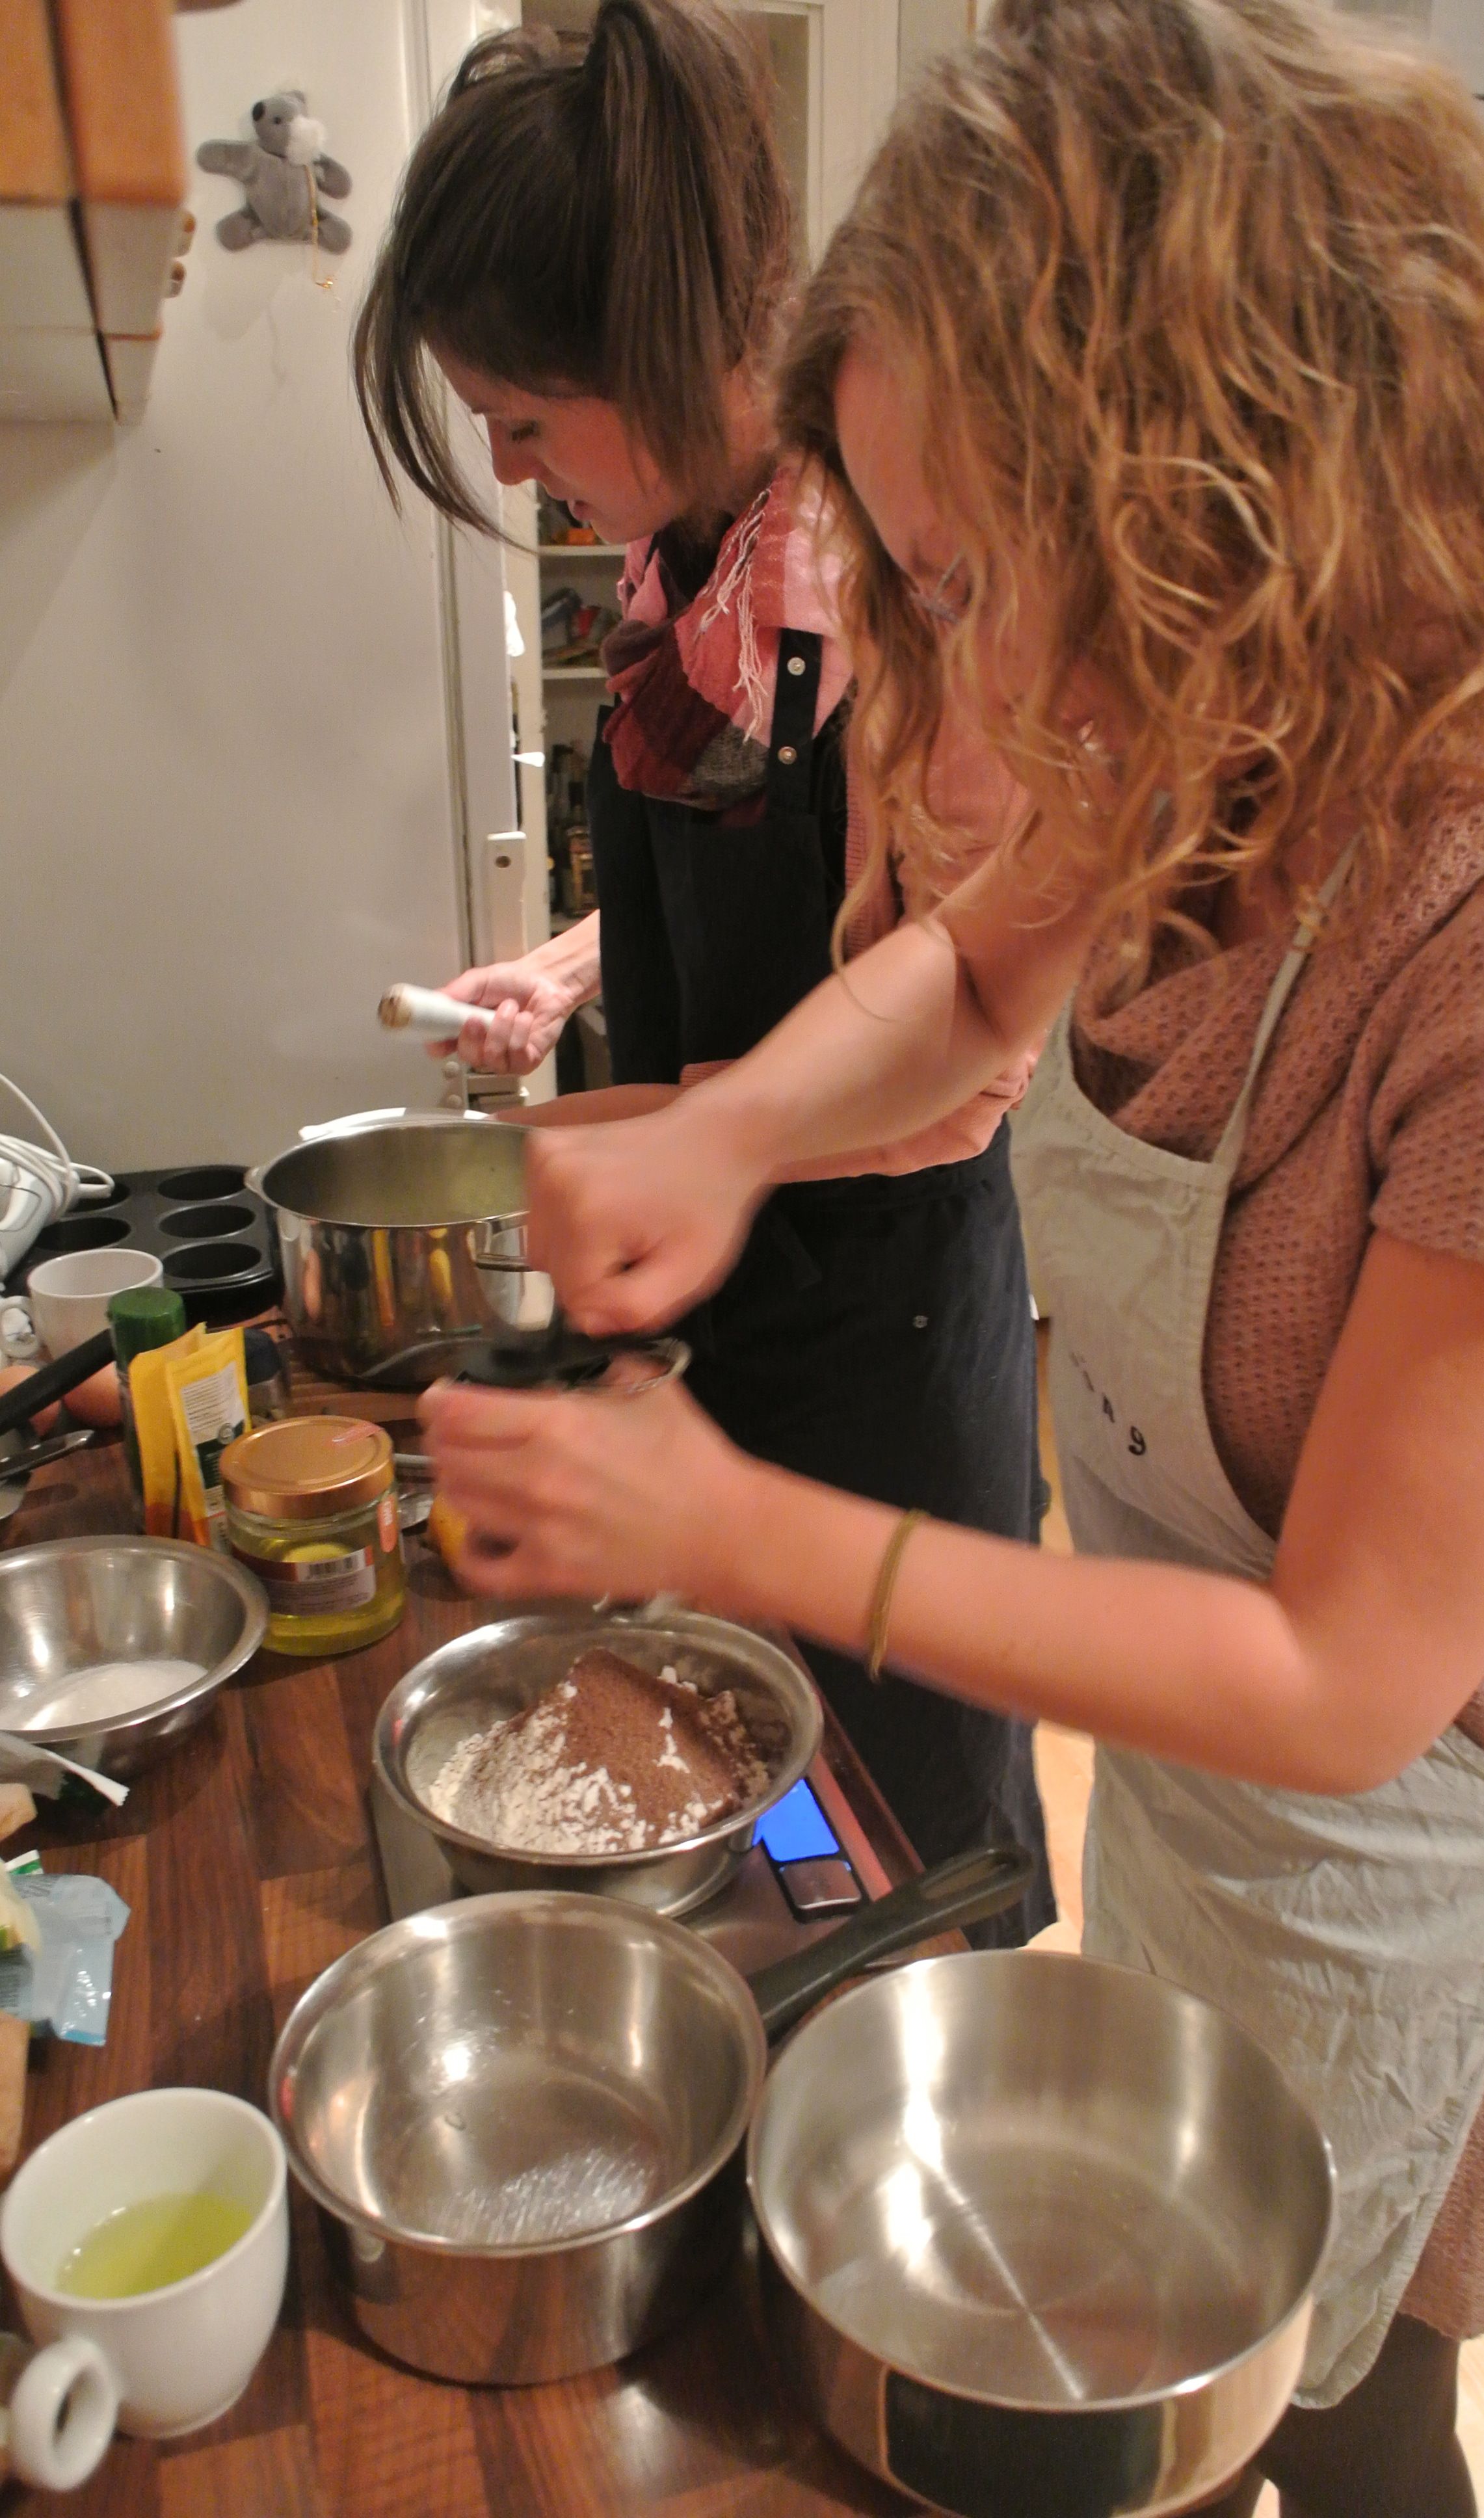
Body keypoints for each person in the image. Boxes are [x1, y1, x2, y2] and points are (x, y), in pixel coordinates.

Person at [418, 0, 1484, 2509]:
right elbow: (990, 971)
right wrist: (736, 1133)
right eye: (911, 578)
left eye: (972, 575)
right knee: (1237, 2328)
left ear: (1224, 458)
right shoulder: (1253, 675)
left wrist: (740, 1529)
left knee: (1358, 2405)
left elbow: (1344, 1677)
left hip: (1445, 1846)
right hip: (1229, 1796)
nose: (968, 667)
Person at [352, 1, 1055, 1946]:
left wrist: (644, 1138)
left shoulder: (888, 575)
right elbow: (788, 894)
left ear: (654, 346)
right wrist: (577, 973)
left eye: (524, 418)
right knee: (745, 1794)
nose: (512, 468)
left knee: (905, 1857)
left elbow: (959, 1051)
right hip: (725, 1294)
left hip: (877, 1321)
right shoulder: (696, 567)